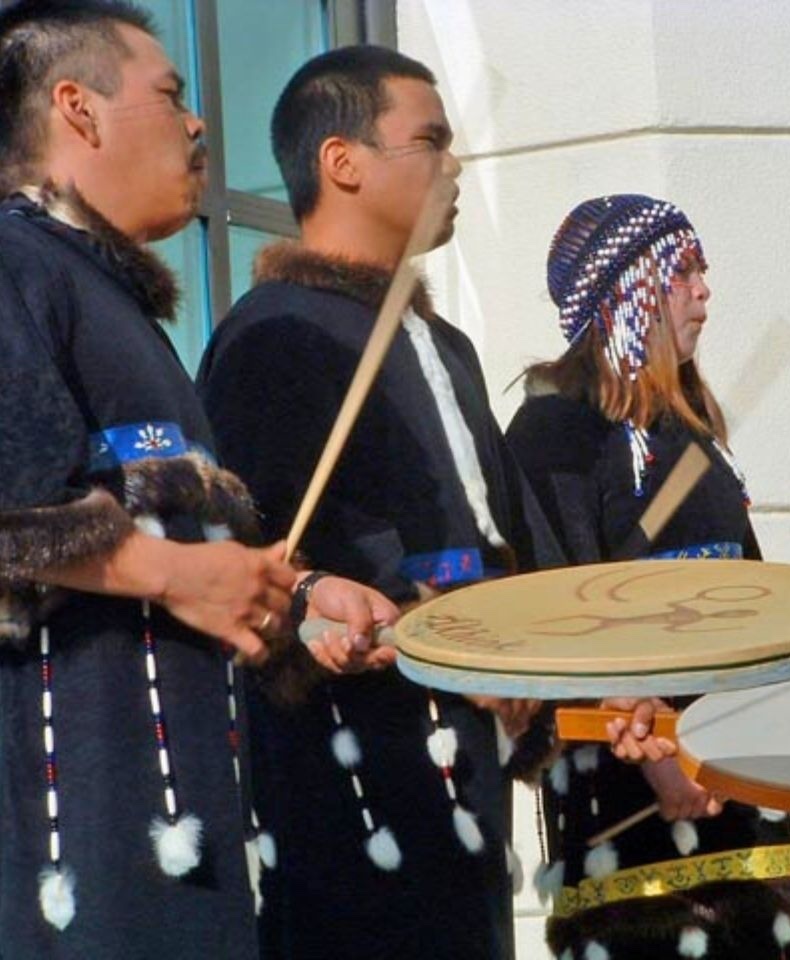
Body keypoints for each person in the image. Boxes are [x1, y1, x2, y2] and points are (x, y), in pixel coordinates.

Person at [0, 3, 394, 957]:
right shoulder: (15, 259)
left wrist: (292, 597)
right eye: (171, 95)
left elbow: (176, 554)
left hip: (178, 842)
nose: (198, 122)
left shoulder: (109, 299)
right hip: (76, 852)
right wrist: (181, 576)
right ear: (77, 109)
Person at [197, 45, 562, 960]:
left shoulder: (447, 346)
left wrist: (527, 665)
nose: (455, 166)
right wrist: (320, 602)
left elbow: (497, 541)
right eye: (429, 141)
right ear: (343, 161)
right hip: (347, 765)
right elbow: (234, 549)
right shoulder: (273, 333)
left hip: (462, 760)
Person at [505, 194, 790, 960]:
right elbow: (554, 605)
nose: (705, 290)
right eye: (684, 271)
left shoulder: (694, 427)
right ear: (627, 288)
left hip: (737, 781)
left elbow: (756, 603)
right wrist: (665, 758)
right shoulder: (554, 430)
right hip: (626, 773)